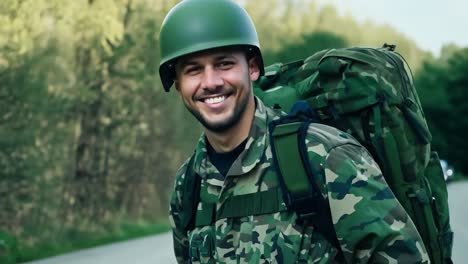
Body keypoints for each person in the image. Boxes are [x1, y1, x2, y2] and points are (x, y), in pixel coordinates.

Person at [158, 0, 430, 263]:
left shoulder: (324, 157)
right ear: (178, 84)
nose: (211, 82)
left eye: (224, 64)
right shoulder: (189, 183)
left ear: (252, 68)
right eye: (193, 70)